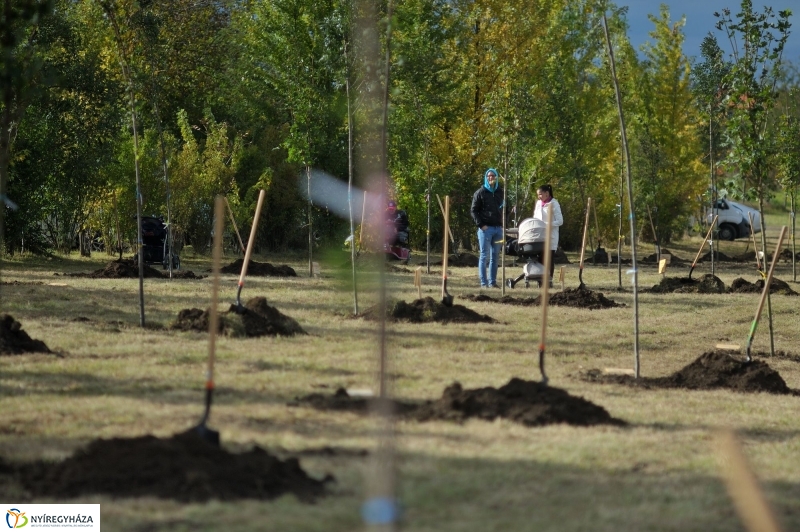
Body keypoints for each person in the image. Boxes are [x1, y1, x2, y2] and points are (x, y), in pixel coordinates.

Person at [471, 168, 504, 288]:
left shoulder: (500, 192)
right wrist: (481, 225)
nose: (491, 178)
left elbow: (504, 208)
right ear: (486, 178)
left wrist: (503, 223)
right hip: (485, 230)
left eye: (493, 176)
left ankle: (492, 282)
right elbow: (473, 211)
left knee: (495, 256)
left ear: (496, 177)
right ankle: (484, 283)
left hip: (498, 230)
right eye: (489, 176)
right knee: (485, 256)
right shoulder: (480, 192)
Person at [532, 184, 563, 280]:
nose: (539, 196)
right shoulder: (538, 203)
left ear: (547, 193)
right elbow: (535, 217)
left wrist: (546, 224)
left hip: (551, 236)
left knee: (548, 260)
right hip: (539, 236)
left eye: (540, 194)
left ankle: (549, 281)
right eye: (538, 194)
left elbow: (560, 221)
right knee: (540, 259)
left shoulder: (554, 203)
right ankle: (540, 281)